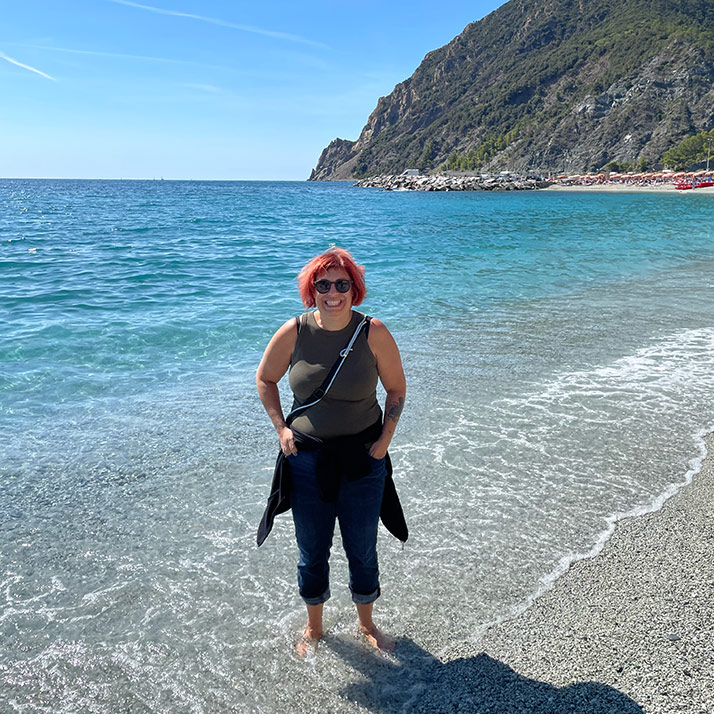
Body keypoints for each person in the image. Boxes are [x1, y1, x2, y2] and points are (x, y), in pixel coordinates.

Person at [255, 247, 407, 654]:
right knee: (312, 550)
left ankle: (367, 625)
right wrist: (281, 429)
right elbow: (265, 380)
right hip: (307, 461)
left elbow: (396, 388)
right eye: (324, 284)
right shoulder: (295, 331)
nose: (333, 292)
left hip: (362, 459)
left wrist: (384, 442)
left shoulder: (373, 331)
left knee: (361, 547)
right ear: (312, 290)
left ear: (354, 289)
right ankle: (315, 628)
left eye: (342, 284)